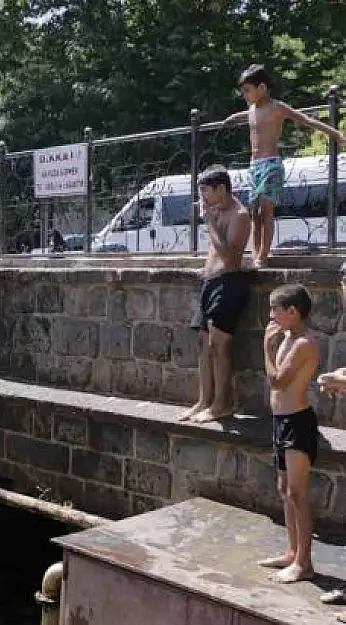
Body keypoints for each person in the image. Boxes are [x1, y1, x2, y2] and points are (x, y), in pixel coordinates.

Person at [223, 64, 346, 268]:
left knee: (265, 210)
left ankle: (263, 255)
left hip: (271, 164)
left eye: (247, 91)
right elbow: (247, 116)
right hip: (254, 166)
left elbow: (305, 120)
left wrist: (335, 134)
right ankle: (255, 252)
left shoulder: (277, 107)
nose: (244, 95)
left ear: (261, 88)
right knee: (254, 212)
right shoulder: (252, 109)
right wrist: (233, 118)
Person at [255, 284, 320, 584]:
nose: (271, 316)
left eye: (275, 310)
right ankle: (293, 552)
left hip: (297, 422)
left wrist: (266, 349)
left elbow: (278, 382)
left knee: (297, 493)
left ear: (293, 312)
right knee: (285, 491)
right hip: (281, 422)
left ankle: (305, 563)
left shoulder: (304, 343)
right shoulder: (289, 338)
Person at [180, 166, 252, 424]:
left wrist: (209, 222)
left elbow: (231, 256)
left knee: (219, 344)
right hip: (210, 282)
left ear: (222, 188)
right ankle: (204, 400)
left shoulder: (240, 215)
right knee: (203, 343)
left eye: (206, 192)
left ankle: (222, 404)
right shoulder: (216, 211)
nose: (203, 198)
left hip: (229, 282)